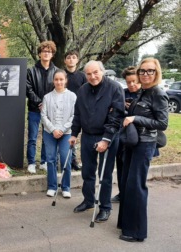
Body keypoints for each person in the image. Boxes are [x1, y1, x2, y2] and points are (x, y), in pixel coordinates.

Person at [117, 58, 168, 242]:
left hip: (145, 144)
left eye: (150, 71)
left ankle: (137, 232)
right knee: (126, 184)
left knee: (136, 186)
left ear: (157, 73)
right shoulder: (142, 92)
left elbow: (162, 123)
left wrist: (135, 118)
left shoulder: (158, 93)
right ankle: (126, 224)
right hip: (132, 142)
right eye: (143, 71)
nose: (146, 74)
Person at [69, 60, 124, 223]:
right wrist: (74, 133)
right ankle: (88, 200)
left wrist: (106, 139)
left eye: (95, 72)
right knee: (87, 171)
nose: (92, 76)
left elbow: (117, 117)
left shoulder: (115, 88)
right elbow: (77, 114)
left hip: (107, 136)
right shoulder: (82, 90)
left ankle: (105, 207)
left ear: (103, 71)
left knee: (104, 174)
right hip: (87, 136)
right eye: (89, 74)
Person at [41, 70, 76, 198]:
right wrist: (53, 129)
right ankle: (52, 186)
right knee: (50, 159)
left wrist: (62, 129)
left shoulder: (72, 96)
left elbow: (74, 115)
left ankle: (66, 187)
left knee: (65, 159)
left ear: (65, 80)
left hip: (66, 133)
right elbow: (43, 115)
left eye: (61, 79)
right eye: (56, 79)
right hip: (49, 132)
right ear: (53, 81)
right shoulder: (47, 97)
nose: (59, 82)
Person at [26, 41, 58, 173]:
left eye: (49, 51)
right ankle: (31, 162)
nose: (46, 53)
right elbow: (28, 89)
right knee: (32, 137)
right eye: (44, 51)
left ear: (52, 54)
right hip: (35, 109)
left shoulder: (57, 71)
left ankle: (44, 161)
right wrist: (40, 103)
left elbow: (58, 89)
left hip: (50, 111)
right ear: (39, 54)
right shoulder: (31, 71)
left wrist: (47, 105)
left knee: (47, 137)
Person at [111, 66, 141, 203]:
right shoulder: (122, 93)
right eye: (128, 82)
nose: (132, 85)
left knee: (135, 169)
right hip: (122, 135)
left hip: (139, 137)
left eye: (134, 81)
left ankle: (133, 194)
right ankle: (122, 193)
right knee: (121, 165)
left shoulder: (145, 94)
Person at [64, 50, 87, 171]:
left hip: (79, 110)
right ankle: (67, 159)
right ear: (65, 60)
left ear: (77, 60)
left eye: (73, 57)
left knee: (75, 136)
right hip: (64, 110)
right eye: (68, 57)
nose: (71, 59)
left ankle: (74, 160)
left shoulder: (82, 76)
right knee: (67, 135)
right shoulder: (62, 75)